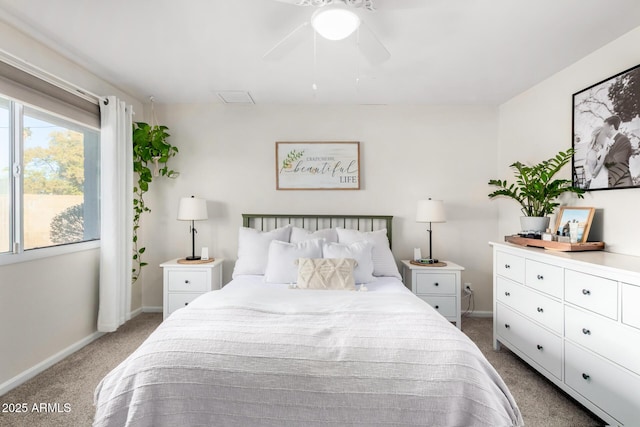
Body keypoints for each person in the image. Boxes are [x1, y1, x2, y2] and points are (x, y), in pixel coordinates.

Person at [602, 115, 633, 188]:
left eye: (604, 128)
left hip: (622, 182)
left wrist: (604, 155)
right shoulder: (611, 142)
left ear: (611, 127)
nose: (603, 131)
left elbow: (615, 164)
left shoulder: (623, 140)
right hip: (615, 182)